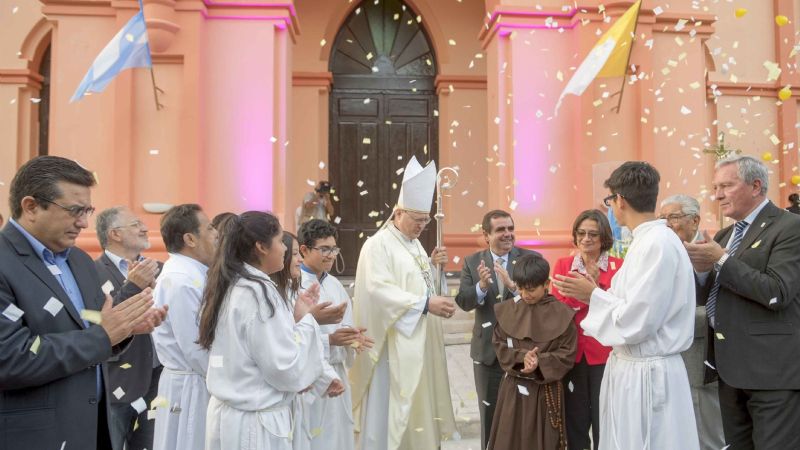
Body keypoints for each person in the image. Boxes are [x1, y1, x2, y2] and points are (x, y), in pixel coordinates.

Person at [0, 156, 164, 449]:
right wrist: (104, 335)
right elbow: (11, 359)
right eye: (74, 210)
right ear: (31, 207)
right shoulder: (5, 262)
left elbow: (89, 327)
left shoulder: (79, 260)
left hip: (93, 429)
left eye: (88, 210)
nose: (84, 223)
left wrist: (123, 330)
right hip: (35, 436)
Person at [552, 161, 699, 449]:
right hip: (634, 368)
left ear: (619, 200)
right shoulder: (647, 241)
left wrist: (591, 295)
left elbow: (639, 320)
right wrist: (594, 292)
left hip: (647, 374)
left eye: (610, 201)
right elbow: (631, 303)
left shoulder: (656, 243)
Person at [685, 155, 800, 449]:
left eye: (727, 185)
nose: (718, 194)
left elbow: (777, 291)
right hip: (729, 370)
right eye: (715, 187)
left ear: (755, 186)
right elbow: (713, 296)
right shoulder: (724, 235)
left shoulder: (790, 227)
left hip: (772, 374)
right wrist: (700, 272)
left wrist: (720, 259)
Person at [350, 156, 457, 450]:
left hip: (419, 342)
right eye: (417, 220)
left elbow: (423, 285)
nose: (422, 226)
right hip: (391, 346)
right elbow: (377, 290)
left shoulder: (415, 245)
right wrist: (424, 304)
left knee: (417, 406)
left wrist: (437, 273)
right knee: (392, 406)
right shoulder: (378, 245)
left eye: (425, 220)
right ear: (398, 213)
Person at [198, 211, 327, 450]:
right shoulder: (260, 293)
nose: (286, 249)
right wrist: (308, 322)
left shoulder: (233, 283)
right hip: (255, 424)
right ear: (261, 247)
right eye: (280, 241)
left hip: (230, 416)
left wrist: (296, 316)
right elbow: (285, 369)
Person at [454, 209, 538, 449]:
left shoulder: (529, 258)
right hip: (487, 352)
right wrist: (481, 286)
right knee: (489, 417)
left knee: (524, 415)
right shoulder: (472, 262)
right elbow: (463, 301)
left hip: (523, 351)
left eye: (510, 228)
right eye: (501, 229)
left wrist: (513, 288)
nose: (508, 234)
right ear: (485, 235)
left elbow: (539, 300)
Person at [488, 254, 577, 450]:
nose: (525, 294)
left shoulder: (562, 314)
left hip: (546, 392)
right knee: (509, 440)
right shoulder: (508, 310)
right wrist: (522, 359)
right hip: (513, 390)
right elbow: (500, 344)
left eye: (531, 289)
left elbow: (567, 354)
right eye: (520, 288)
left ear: (546, 283)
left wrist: (539, 362)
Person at [550, 209, 622, 450]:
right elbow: (559, 308)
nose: (586, 239)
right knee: (575, 420)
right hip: (573, 353)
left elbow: (619, 308)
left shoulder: (618, 266)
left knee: (606, 419)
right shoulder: (563, 264)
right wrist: (594, 296)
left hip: (606, 353)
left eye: (593, 233)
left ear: (604, 237)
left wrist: (592, 290)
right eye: (581, 233)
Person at [298, 219, 373, 450]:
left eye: (334, 249)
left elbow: (345, 324)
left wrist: (352, 339)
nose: (331, 255)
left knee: (338, 438)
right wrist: (330, 340)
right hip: (311, 378)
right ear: (304, 249)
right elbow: (290, 336)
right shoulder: (294, 285)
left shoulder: (334, 284)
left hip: (337, 373)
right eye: (324, 249)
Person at [95, 206, 164, 450]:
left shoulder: (161, 269)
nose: (145, 228)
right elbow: (97, 321)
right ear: (115, 234)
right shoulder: (93, 272)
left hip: (156, 377)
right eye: (135, 224)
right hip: (118, 379)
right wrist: (133, 286)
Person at [659, 195, 725, 450]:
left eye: (672, 218)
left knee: (706, 432)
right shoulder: (663, 250)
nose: (666, 224)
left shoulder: (715, 248)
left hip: (700, 357)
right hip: (668, 358)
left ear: (695, 220)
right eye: (662, 218)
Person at [151, 204, 219, 450]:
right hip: (192, 385)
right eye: (210, 228)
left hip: (201, 381)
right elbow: (195, 347)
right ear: (190, 239)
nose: (216, 234)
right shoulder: (180, 280)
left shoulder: (196, 274)